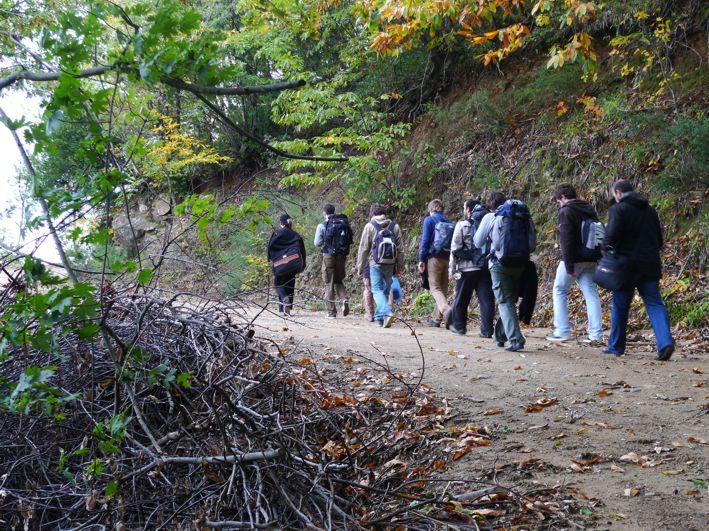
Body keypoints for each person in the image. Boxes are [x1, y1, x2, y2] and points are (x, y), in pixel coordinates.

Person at [602, 179, 675, 360]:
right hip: (649, 265)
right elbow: (659, 240)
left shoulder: (618, 210)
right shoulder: (650, 211)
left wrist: (606, 252)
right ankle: (665, 342)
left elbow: (610, 238)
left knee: (620, 305)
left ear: (618, 193)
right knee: (655, 303)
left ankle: (616, 346)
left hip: (625, 267)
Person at [474, 192, 536, 351]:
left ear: (491, 205)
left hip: (499, 264)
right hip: (521, 263)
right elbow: (533, 243)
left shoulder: (491, 217)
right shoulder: (523, 215)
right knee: (509, 301)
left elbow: (477, 242)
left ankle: (516, 339)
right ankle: (500, 335)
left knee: (505, 301)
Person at [546, 184, 604, 344]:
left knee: (559, 290)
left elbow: (566, 241)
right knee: (591, 293)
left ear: (563, 197)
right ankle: (596, 335)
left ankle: (562, 331)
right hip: (591, 258)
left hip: (574, 259)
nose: (559, 204)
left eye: (558, 200)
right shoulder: (588, 209)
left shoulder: (566, 211)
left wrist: (569, 266)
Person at [448, 198, 494, 337]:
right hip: (485, 267)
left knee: (462, 299)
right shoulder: (489, 221)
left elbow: (455, 249)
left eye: (464, 207)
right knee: (486, 300)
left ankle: (459, 326)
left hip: (466, 269)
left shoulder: (462, 225)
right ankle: (486, 330)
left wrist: (452, 269)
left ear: (468, 209)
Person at [356, 204, 403, 328]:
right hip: (390, 263)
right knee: (386, 290)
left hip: (375, 263)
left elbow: (363, 249)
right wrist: (399, 266)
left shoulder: (370, 226)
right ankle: (380, 319)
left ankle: (387, 312)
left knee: (376, 290)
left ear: (372, 214)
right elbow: (400, 249)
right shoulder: (395, 226)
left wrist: (360, 267)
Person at [418, 199, 453, 327]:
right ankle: (437, 319)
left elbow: (425, 241)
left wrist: (421, 259)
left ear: (431, 209)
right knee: (443, 287)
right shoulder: (449, 221)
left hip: (434, 258)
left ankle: (446, 310)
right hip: (447, 257)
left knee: (435, 287)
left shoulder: (429, 220)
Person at [314, 203, 353, 318]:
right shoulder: (343, 222)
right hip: (342, 256)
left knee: (329, 283)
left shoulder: (323, 225)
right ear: (334, 211)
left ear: (324, 213)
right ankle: (344, 299)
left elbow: (317, 243)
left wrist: (325, 243)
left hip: (329, 256)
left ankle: (331, 312)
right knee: (339, 280)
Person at [267, 213, 306, 316]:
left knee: (278, 283)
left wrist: (273, 259)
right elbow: (302, 249)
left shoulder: (277, 233)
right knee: (289, 284)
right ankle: (285, 308)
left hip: (280, 264)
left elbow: (270, 247)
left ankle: (283, 300)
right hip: (293, 263)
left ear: (281, 222)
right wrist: (302, 264)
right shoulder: (295, 234)